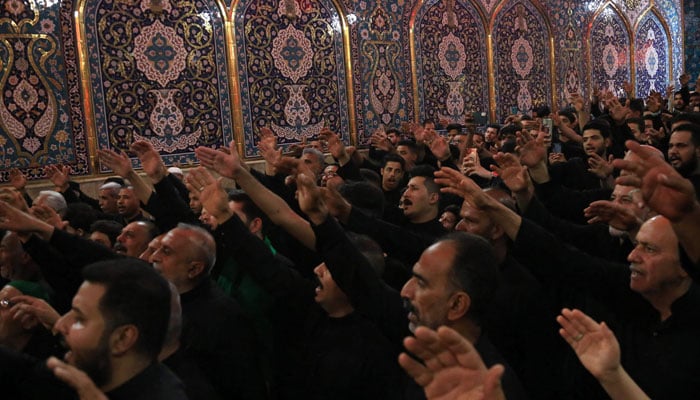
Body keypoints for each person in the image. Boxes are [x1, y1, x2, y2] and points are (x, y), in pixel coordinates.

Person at [0, 258, 188, 400]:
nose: (59, 324)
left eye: (80, 318)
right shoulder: (89, 373)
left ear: (122, 338)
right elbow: (25, 371)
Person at [150, 223, 267, 400]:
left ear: (194, 269)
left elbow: (245, 385)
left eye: (166, 252)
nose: (153, 257)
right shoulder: (160, 297)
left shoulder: (224, 318)